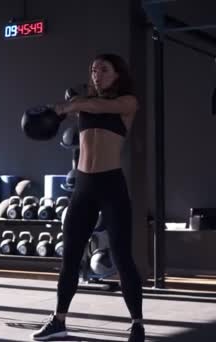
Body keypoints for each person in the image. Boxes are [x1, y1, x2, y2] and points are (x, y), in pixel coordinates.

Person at [31, 53, 145, 342]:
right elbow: (83, 105)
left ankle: (137, 324)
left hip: (111, 185)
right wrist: (60, 111)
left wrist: (70, 104)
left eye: (104, 69)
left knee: (122, 257)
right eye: (93, 69)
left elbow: (94, 104)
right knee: (70, 257)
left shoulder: (127, 103)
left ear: (117, 74)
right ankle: (59, 321)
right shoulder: (82, 104)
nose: (97, 74)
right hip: (84, 187)